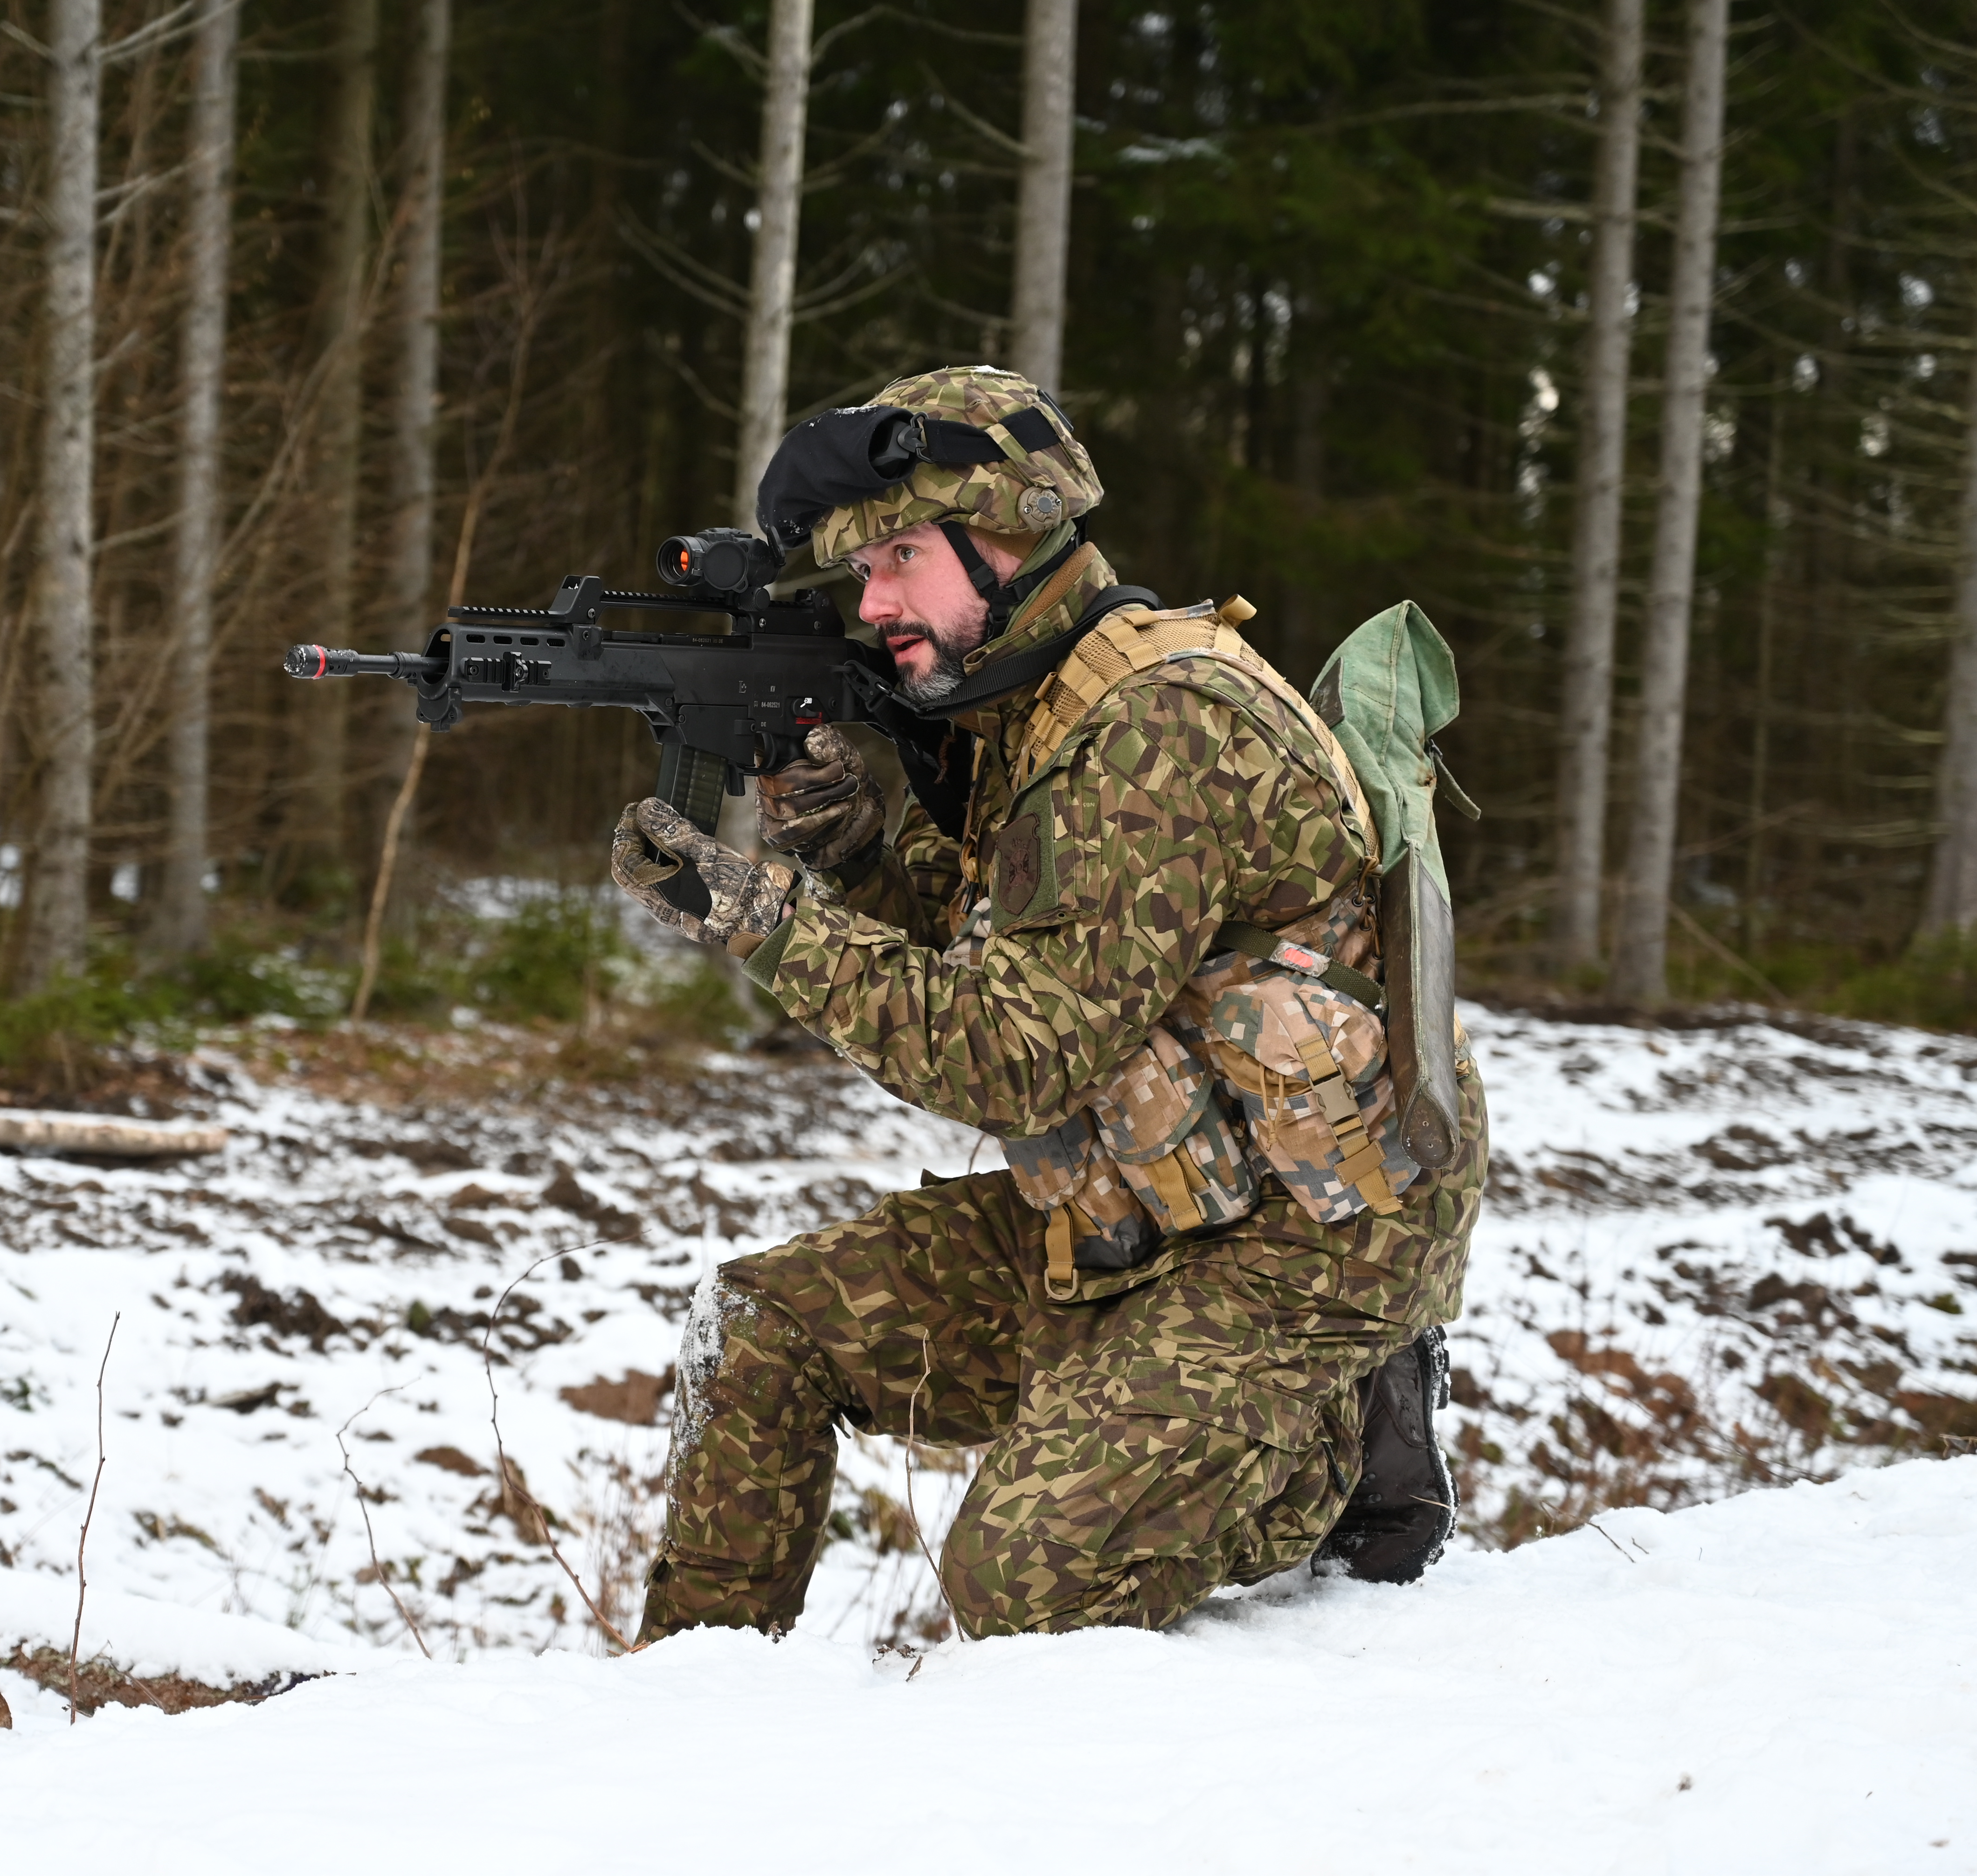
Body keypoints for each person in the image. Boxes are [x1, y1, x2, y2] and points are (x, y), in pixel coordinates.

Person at [606, 364, 1488, 1642]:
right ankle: (691, 1711)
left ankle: (1341, 1435)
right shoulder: (1022, 706)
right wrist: (853, 850)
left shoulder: (1158, 723)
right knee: (765, 1330)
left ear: (1011, 533)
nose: (874, 602)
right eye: (861, 572)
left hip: (1316, 1242)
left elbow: (1015, 1062)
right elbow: (1001, 961)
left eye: (900, 557)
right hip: (1144, 1204)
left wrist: (765, 915)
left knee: (1023, 1580)